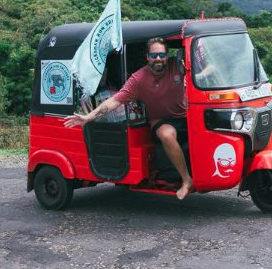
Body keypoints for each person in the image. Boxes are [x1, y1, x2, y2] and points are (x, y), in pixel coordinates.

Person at [62, 37, 193, 199]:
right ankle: (186, 180)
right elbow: (114, 101)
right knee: (167, 135)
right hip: (161, 120)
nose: (158, 59)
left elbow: (205, 69)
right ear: (147, 57)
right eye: (153, 56)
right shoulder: (138, 79)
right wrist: (88, 117)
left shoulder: (178, 66)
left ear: (167, 55)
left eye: (161, 55)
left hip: (186, 115)